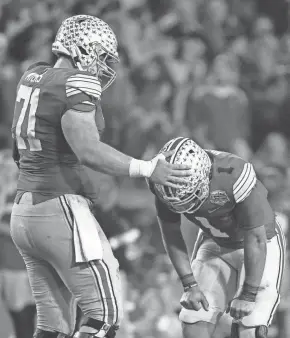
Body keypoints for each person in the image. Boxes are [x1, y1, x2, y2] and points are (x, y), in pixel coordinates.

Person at [10, 15, 191, 338]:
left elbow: (17, 151)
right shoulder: (76, 83)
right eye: (102, 56)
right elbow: (88, 150)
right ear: (83, 48)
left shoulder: (33, 76)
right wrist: (148, 168)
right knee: (104, 315)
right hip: (59, 207)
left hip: (24, 212)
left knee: (54, 326)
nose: (104, 67)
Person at [148, 136, 286, 338]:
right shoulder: (161, 179)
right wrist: (190, 285)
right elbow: (170, 231)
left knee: (251, 328)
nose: (183, 206)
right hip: (215, 242)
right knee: (193, 319)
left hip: (260, 241)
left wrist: (248, 294)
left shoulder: (233, 174)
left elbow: (256, 237)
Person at [0, 149, 36, 338]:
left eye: (9, 166)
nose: (6, 171)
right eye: (2, 167)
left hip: (24, 263)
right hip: (9, 263)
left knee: (26, 313)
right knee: (16, 312)